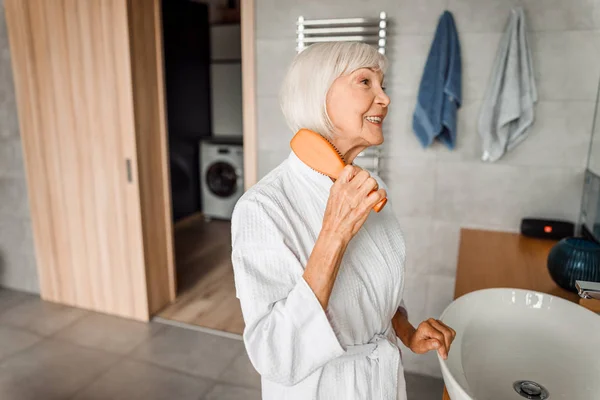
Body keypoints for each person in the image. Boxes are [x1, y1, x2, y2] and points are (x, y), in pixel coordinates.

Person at [230, 42, 456, 400]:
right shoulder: (262, 208)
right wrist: (333, 235)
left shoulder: (373, 188)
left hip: (384, 383)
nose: (385, 98)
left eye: (383, 84)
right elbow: (273, 354)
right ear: (318, 95)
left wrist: (406, 331)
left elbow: (371, 290)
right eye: (365, 82)